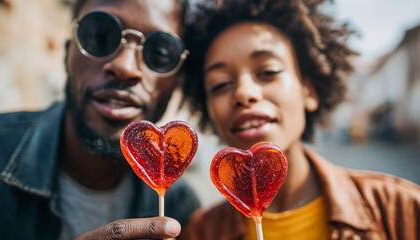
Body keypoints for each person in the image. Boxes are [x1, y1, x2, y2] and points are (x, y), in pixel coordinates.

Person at [180, 0, 420, 239]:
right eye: (220, 84)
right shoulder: (199, 232)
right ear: (207, 107)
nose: (244, 93)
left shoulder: (403, 210)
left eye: (268, 72)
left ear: (309, 91)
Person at [0, 0, 200, 239]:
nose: (125, 67)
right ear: (67, 53)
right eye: (101, 36)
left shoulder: (182, 209)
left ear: (178, 82)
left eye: (160, 52)